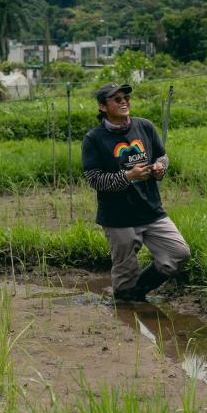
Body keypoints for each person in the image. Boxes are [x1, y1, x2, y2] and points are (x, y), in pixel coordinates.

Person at [81, 82, 191, 302]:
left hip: (151, 210)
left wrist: (160, 168)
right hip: (118, 217)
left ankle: (137, 292)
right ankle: (126, 307)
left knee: (178, 254)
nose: (125, 102)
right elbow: (94, 179)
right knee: (125, 274)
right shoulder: (94, 139)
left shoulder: (145, 127)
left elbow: (162, 156)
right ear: (103, 107)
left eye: (126, 98)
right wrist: (128, 177)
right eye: (118, 99)